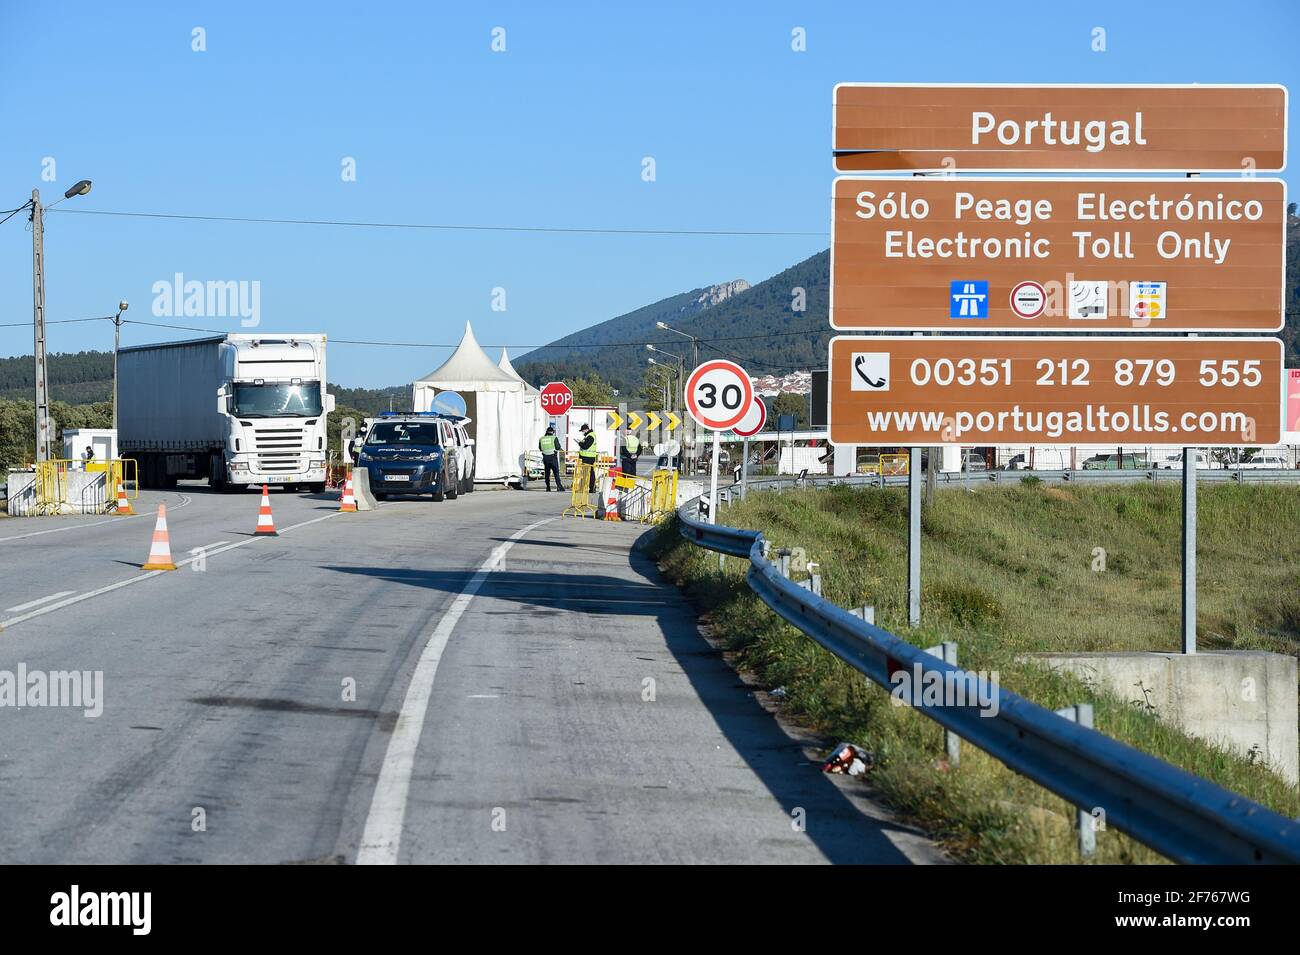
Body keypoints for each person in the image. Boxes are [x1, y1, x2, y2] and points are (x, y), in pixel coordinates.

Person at [538, 425, 564, 492]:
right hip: (553, 457)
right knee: (556, 472)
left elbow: (540, 448)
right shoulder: (554, 438)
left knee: (547, 473)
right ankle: (559, 486)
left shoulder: (541, 439)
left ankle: (548, 487)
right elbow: (558, 447)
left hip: (545, 458)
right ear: (552, 432)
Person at [576, 423, 599, 492]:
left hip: (587, 457)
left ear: (586, 430)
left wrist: (579, 443)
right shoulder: (590, 435)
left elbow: (586, 446)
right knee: (590, 472)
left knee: (585, 473)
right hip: (590, 457)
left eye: (582, 431)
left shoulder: (590, 436)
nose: (582, 432)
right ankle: (591, 488)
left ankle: (583, 488)